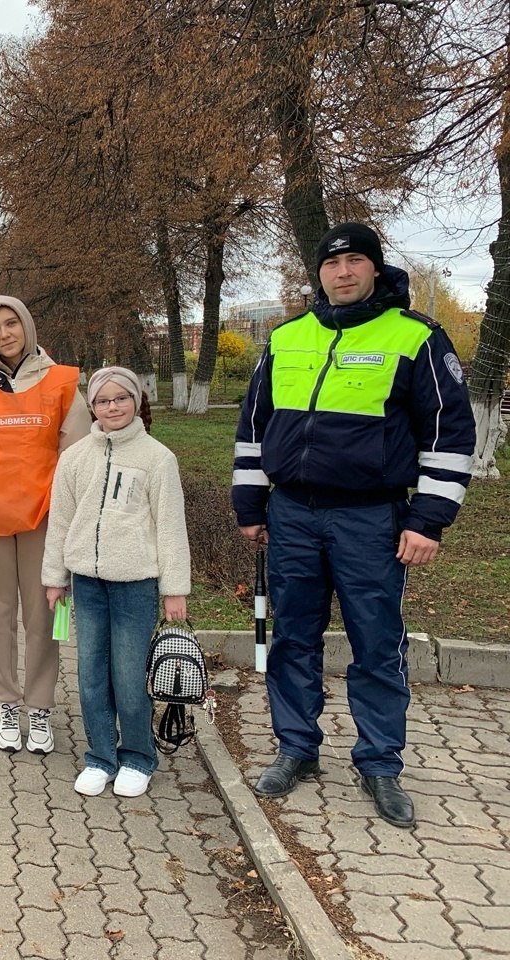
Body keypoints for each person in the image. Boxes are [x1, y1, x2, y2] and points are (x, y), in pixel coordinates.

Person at [233, 222, 476, 829]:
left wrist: (429, 520)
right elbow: (255, 427)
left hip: (371, 517)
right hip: (292, 514)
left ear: (374, 269)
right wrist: (249, 504)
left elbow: (452, 434)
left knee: (375, 643)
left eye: (355, 262)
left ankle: (380, 763)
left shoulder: (415, 337)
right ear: (319, 273)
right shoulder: (286, 338)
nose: (343, 273)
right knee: (291, 636)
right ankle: (296, 748)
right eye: (332, 263)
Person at [0, 295, 90, 754]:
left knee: (43, 615)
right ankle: (7, 702)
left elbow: (79, 457)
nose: (5, 333)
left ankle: (41, 705)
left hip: (45, 520)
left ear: (27, 327)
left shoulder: (64, 381)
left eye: (12, 324)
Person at [42, 367, 191, 798]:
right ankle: (101, 756)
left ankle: (138, 757)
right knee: (90, 673)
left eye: (121, 399)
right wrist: (55, 576)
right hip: (87, 584)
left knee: (129, 675)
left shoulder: (157, 458)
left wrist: (174, 588)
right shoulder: (75, 457)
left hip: (135, 585)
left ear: (137, 401)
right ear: (92, 406)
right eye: (103, 401)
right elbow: (61, 521)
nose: (113, 407)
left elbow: (170, 526)